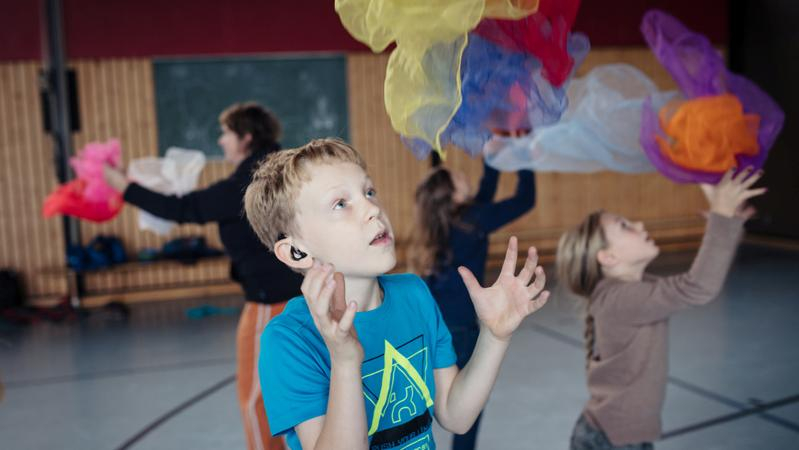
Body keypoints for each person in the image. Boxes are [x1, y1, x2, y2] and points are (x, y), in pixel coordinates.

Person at [242, 138, 550, 449]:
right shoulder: (289, 339)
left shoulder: (414, 294)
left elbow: (456, 416)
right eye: (340, 204)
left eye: (369, 192)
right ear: (296, 251)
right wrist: (345, 361)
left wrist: (494, 337)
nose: (372, 208)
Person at [103, 102, 302, 450]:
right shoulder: (284, 171)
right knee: (304, 390)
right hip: (306, 296)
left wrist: (124, 187)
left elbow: (182, 208)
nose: (221, 141)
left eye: (226, 133)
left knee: (258, 397)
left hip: (273, 304)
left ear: (246, 138)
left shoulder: (247, 184)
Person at [555, 167, 765, 449]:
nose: (640, 224)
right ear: (608, 257)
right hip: (612, 441)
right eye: (625, 226)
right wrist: (721, 217)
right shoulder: (620, 300)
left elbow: (695, 281)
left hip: (615, 437)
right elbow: (697, 288)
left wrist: (729, 224)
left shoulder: (627, 294)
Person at [408, 161, 535, 449]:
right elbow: (525, 200)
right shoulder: (473, 219)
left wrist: (495, 157)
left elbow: (485, 192)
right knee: (467, 405)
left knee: (435, 401)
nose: (464, 176)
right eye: (458, 175)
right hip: (461, 331)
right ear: (453, 195)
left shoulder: (444, 220)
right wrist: (522, 158)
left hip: (431, 325)